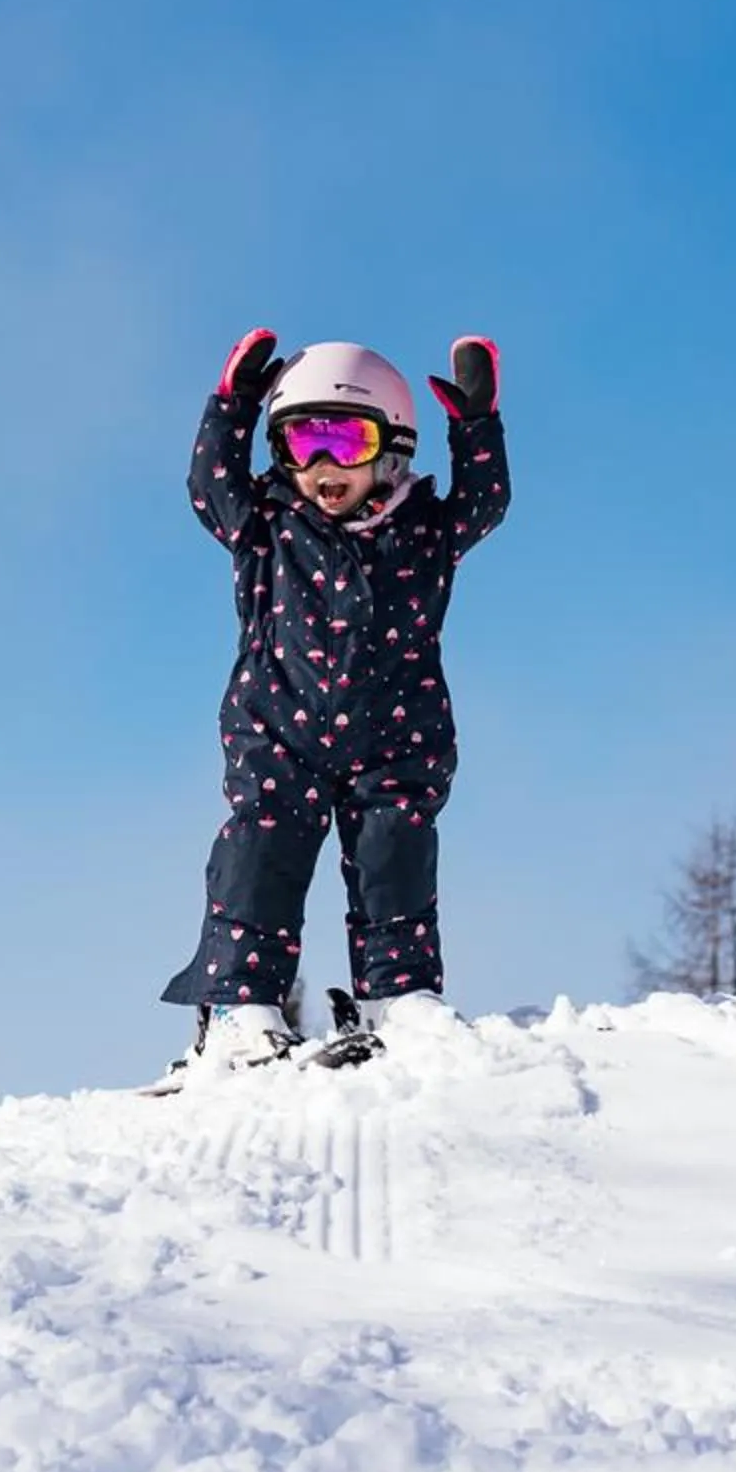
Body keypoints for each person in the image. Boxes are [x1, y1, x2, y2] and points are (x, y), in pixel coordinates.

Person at [157, 330, 511, 1078]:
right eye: (302, 442)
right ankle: (239, 1009)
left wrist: (477, 427)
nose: (323, 466)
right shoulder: (266, 527)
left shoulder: (425, 531)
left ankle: (401, 997)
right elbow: (208, 487)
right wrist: (234, 406)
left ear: (393, 447)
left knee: (396, 861)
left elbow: (487, 503)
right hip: (277, 732)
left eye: (345, 441)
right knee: (260, 858)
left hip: (397, 737)